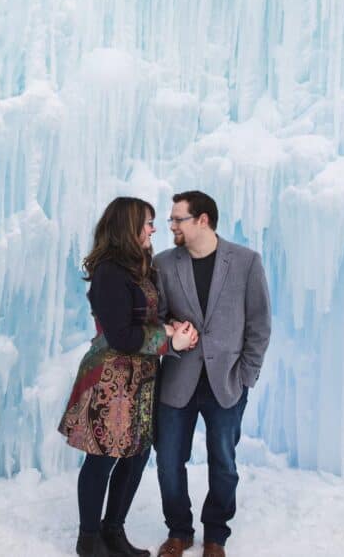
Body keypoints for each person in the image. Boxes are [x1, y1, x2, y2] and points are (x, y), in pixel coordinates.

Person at [59, 196, 199, 557]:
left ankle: (113, 531)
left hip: (141, 379)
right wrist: (170, 340)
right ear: (129, 227)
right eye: (148, 223)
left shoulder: (142, 266)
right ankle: (89, 540)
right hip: (111, 380)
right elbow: (121, 335)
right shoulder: (109, 271)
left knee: (136, 455)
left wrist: (170, 327)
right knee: (103, 457)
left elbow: (145, 320)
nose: (154, 229)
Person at [152, 191, 272, 557]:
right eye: (171, 219)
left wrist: (246, 375)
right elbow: (153, 321)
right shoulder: (163, 264)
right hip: (176, 381)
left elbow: (260, 323)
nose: (170, 225)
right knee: (169, 460)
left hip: (227, 383)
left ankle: (216, 535)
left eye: (178, 219)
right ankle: (179, 531)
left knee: (224, 461)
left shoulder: (246, 262)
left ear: (202, 220)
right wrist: (173, 339)